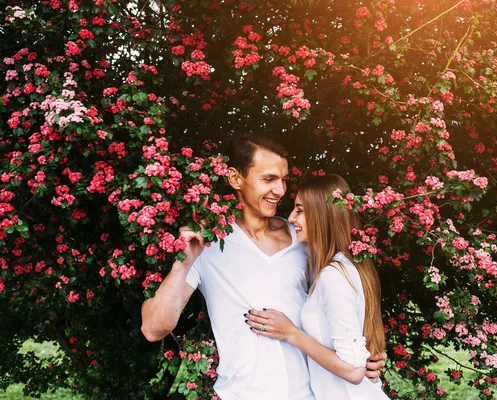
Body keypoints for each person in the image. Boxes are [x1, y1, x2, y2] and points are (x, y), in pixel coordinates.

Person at [140, 134, 386, 400]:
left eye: (283, 180)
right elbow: (153, 329)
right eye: (268, 179)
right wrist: (183, 263)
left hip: (310, 395)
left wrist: (366, 355)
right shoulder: (207, 244)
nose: (280, 191)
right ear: (235, 178)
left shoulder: (303, 238)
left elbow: (341, 307)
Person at [245, 174, 390, 400]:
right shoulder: (343, 266)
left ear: (322, 215)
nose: (291, 218)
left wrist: (291, 333)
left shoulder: (334, 275)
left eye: (300, 210)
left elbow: (353, 370)